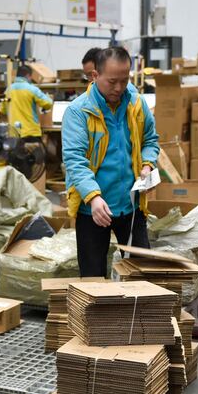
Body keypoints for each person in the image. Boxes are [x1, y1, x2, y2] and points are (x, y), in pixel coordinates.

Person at [63, 46, 159, 277]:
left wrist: (147, 164)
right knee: (93, 278)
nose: (119, 88)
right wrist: (94, 198)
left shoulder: (137, 105)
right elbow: (75, 160)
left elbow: (151, 140)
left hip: (131, 206)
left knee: (141, 273)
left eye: (124, 80)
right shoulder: (78, 111)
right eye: (112, 81)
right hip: (93, 209)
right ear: (95, 76)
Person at [3, 64, 53, 139]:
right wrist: (49, 97)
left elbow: (3, 110)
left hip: (14, 133)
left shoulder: (8, 90)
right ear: (28, 75)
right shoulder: (32, 89)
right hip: (30, 132)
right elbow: (48, 103)